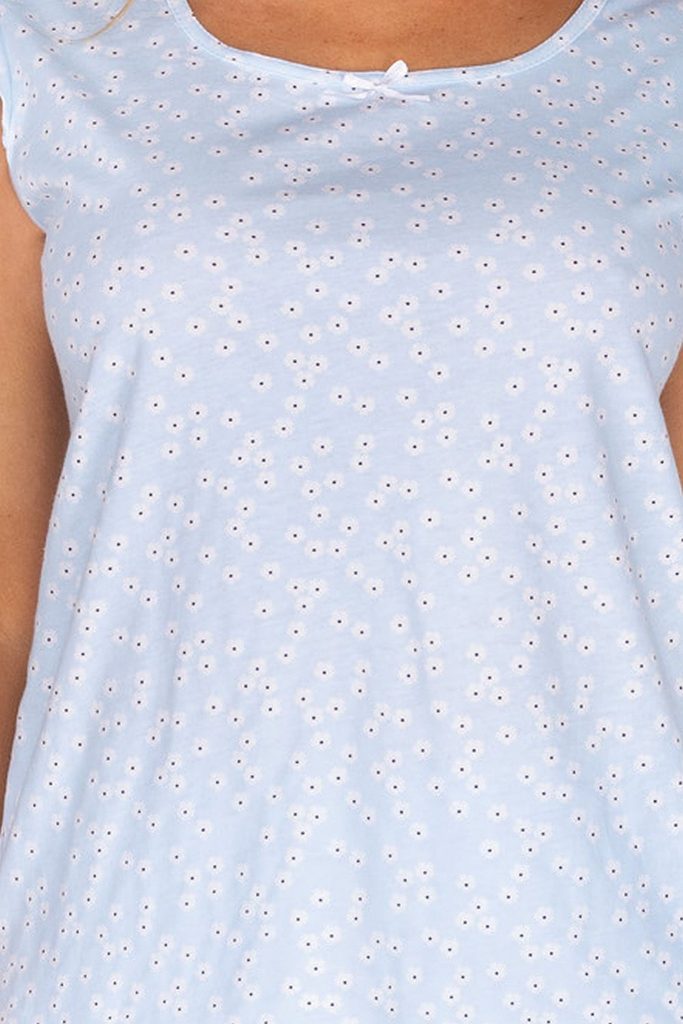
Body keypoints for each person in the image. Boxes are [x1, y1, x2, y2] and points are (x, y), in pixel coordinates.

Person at [0, 0, 681, 1019]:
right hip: (130, 951)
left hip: (592, 952)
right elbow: (9, 622)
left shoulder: (660, 61)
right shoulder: (47, 49)